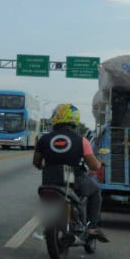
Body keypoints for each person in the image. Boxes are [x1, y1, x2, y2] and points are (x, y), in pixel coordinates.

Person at [33, 103, 109, 242]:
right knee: (95, 191)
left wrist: (48, 167)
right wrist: (99, 163)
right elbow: (93, 166)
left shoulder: (44, 139)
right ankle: (92, 227)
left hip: (50, 181)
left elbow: (36, 162)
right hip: (75, 182)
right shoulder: (82, 141)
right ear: (74, 119)